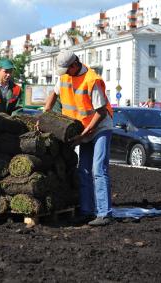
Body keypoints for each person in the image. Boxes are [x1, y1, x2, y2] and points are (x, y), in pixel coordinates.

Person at [44, 50, 114, 226]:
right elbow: (53, 94)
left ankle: (104, 213)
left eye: (67, 70)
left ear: (75, 65)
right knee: (83, 170)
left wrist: (84, 134)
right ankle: (87, 211)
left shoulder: (92, 80)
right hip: (83, 128)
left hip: (100, 128)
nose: (65, 74)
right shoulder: (65, 77)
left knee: (98, 169)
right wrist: (44, 114)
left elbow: (101, 111)